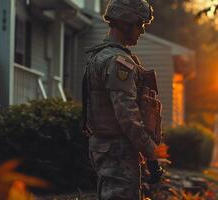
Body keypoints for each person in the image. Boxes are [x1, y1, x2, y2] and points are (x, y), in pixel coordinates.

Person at [81, 0, 163, 199]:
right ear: (125, 23)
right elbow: (127, 116)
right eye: (139, 24)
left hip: (109, 149)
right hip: (117, 151)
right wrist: (151, 152)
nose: (141, 31)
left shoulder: (102, 57)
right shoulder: (118, 63)